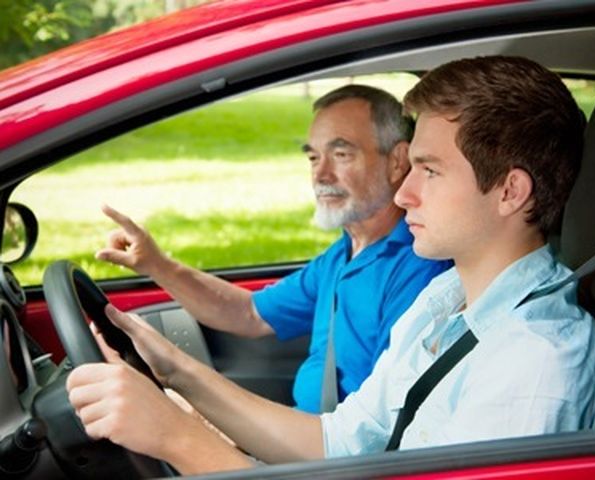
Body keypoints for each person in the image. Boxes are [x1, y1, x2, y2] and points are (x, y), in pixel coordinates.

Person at [66, 56, 595, 475]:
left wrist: (178, 438)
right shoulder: (447, 301)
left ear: (509, 191)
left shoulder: (534, 363)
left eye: (430, 170)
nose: (406, 195)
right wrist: (174, 370)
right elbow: (338, 441)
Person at [95, 85, 452, 413]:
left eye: (341, 154)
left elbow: (377, 427)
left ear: (397, 161)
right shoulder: (344, 253)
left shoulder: (419, 267)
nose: (321, 175)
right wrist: (157, 264)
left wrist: (194, 407)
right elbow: (249, 314)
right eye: (313, 158)